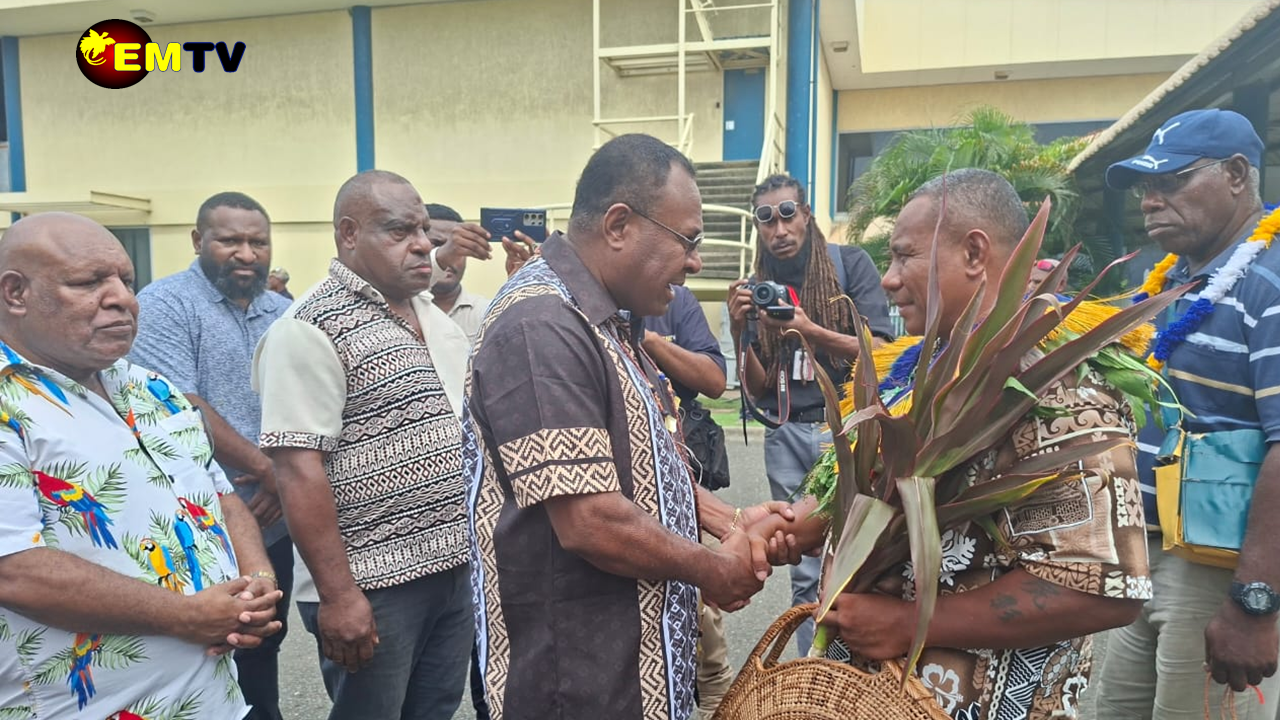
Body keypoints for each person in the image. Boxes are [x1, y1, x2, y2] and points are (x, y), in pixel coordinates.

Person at [754, 169, 1152, 719]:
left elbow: (1105, 586)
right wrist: (813, 519)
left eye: (904, 256)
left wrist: (909, 624)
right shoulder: (923, 368)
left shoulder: (1063, 388)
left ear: (973, 252)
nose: (889, 280)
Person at [465, 134, 790, 720]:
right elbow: (590, 519)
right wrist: (714, 569)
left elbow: (629, 470)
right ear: (619, 225)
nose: (695, 262)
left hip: (632, 672)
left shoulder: (606, 321)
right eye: (688, 241)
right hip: (577, 680)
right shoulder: (542, 326)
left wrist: (727, 517)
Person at [0, 212, 281, 719]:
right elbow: (15, 570)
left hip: (213, 702)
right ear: (16, 293)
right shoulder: (7, 402)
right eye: (89, 282)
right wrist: (186, 616)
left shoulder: (151, 387)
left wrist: (255, 582)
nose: (123, 299)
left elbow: (218, 497)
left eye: (126, 281)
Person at [253, 170, 490, 720]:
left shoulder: (429, 314)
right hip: (373, 589)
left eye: (425, 230)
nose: (422, 244)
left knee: (431, 712)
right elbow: (297, 469)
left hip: (451, 572)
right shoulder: (309, 328)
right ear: (348, 234)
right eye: (399, 230)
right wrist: (339, 597)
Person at [1095, 109, 1280, 719]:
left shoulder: (1268, 285)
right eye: (1146, 188)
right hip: (1142, 559)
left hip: (1215, 573)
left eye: (1172, 182)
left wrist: (1254, 604)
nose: (1150, 201)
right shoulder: (1172, 283)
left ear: (1235, 175)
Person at [129, 191, 294, 720]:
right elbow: (182, 402)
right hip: (205, 515)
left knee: (264, 639)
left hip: (273, 515)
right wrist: (267, 469)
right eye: (230, 241)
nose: (246, 253)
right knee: (212, 644)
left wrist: (278, 482)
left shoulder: (286, 313)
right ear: (199, 241)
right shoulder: (166, 304)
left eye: (257, 241)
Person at [727, 173, 895, 654]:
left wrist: (808, 329)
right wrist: (742, 332)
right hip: (786, 435)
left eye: (786, 214)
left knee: (859, 561)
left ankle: (860, 668)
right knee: (803, 567)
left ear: (806, 216)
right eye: (765, 219)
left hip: (845, 431)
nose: (778, 229)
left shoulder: (849, 265)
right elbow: (758, 388)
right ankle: (812, 671)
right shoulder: (760, 286)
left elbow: (882, 350)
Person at [642, 284, 734, 718]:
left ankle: (718, 703)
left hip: (681, 477)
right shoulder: (563, 311)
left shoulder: (675, 301)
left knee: (706, 630)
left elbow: (716, 380)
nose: (692, 263)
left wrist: (651, 342)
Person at [424, 203, 490, 344]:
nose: (449, 253)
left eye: (457, 245)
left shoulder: (488, 313)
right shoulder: (395, 309)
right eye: (436, 244)